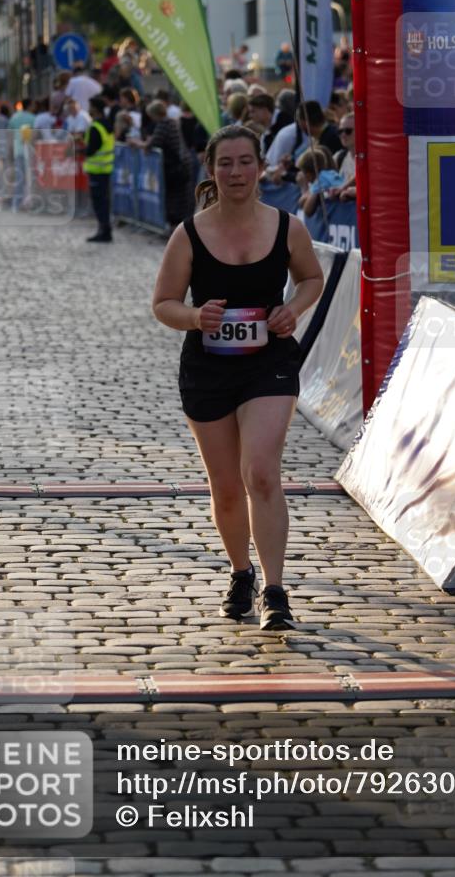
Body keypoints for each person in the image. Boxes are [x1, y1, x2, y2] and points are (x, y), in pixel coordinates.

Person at [152, 125, 324, 630]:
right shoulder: (189, 233)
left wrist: (292, 309)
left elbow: (312, 277)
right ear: (211, 170)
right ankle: (240, 573)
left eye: (245, 161)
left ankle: (275, 590)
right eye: (225, 163)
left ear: (260, 167)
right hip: (207, 368)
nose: (236, 172)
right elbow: (162, 303)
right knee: (227, 488)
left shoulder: (286, 227)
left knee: (262, 473)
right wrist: (194, 316)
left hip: (267, 362)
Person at [136, 100, 195, 226]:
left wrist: (137, 144)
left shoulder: (164, 124)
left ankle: (177, 226)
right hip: (183, 164)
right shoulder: (172, 122)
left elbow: (152, 144)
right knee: (183, 198)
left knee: (175, 199)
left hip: (176, 168)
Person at [82, 94, 115, 243]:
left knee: (99, 202)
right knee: (104, 202)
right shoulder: (107, 124)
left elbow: (92, 149)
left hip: (97, 170)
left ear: (95, 109)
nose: (88, 110)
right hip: (106, 169)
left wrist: (77, 151)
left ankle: (104, 231)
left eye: (90, 107)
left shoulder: (96, 127)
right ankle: (105, 230)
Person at [8, 98, 36, 210]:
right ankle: (29, 203)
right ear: (29, 105)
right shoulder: (33, 118)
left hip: (17, 150)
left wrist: (9, 150)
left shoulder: (14, 117)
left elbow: (9, 136)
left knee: (19, 178)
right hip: (30, 151)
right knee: (31, 179)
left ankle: (16, 203)